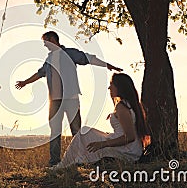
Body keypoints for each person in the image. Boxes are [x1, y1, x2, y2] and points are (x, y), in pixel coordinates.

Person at [15, 31, 122, 166]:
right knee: (55, 132)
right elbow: (40, 73)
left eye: (46, 41)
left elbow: (88, 58)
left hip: (71, 99)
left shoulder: (70, 53)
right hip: (54, 101)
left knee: (76, 131)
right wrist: (25, 82)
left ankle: (82, 159)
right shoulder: (48, 59)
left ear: (53, 40)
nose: (45, 45)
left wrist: (107, 65)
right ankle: (54, 162)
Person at [52, 73, 151, 169]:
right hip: (132, 149)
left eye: (112, 85)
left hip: (128, 151)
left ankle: (63, 165)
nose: (109, 88)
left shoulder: (122, 107)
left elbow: (130, 137)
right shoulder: (128, 105)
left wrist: (102, 144)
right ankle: (68, 163)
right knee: (85, 132)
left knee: (84, 134)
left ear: (119, 87)